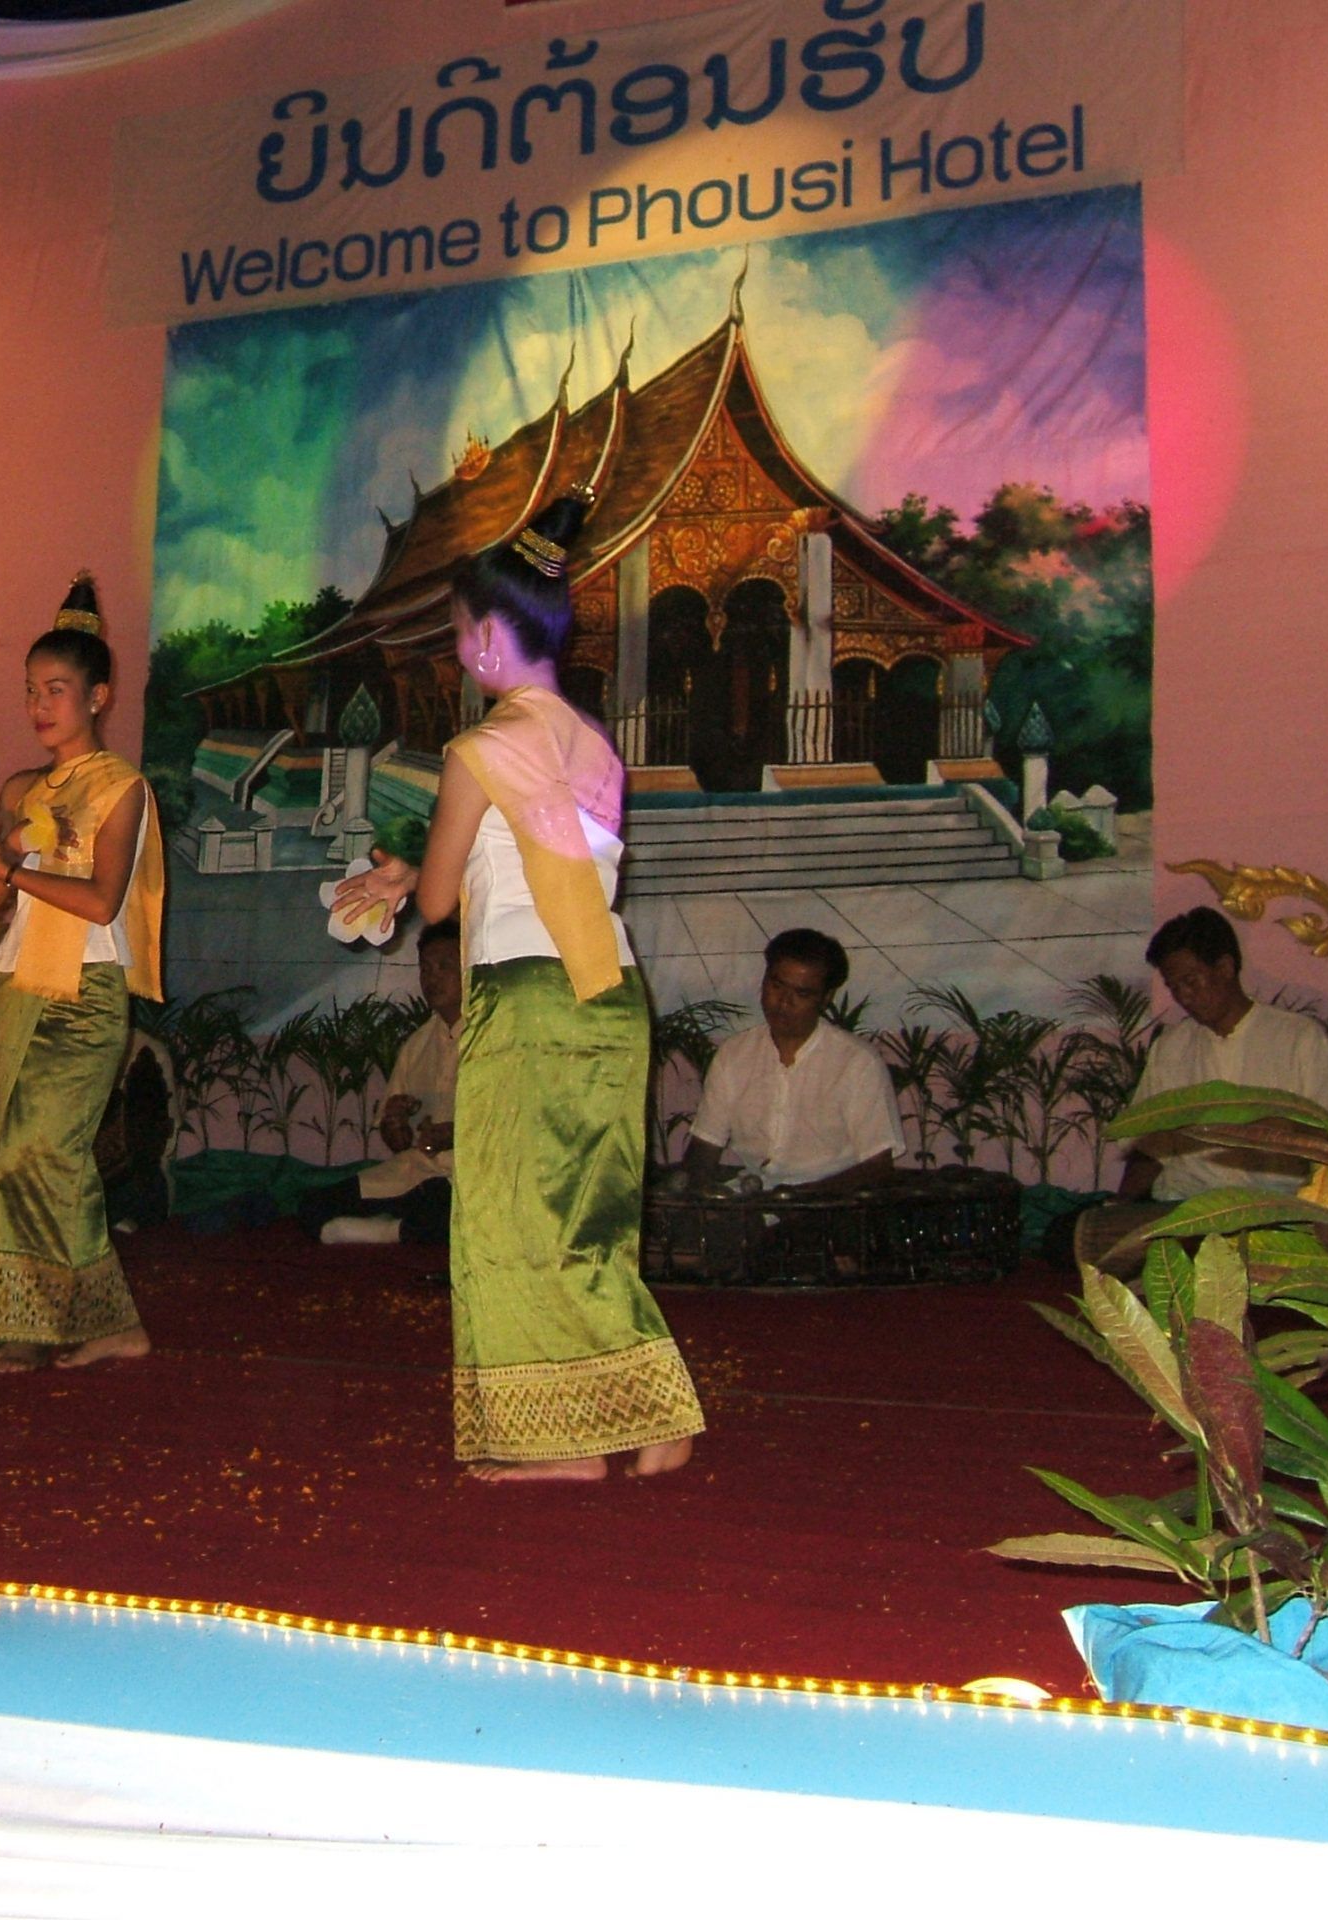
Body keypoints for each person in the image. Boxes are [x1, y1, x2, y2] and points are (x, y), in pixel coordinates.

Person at [336, 490, 704, 1483]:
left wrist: (410, 872)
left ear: (496, 634)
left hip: (527, 997)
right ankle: (652, 1417)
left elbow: (451, 898)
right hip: (609, 989)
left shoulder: (478, 748)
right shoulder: (592, 745)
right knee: (588, 1213)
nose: (459, 651)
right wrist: (413, 868)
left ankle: (565, 1442)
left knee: (503, 1214)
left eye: (462, 633)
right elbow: (547, 856)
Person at [0, 572, 165, 1374]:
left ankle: (106, 1319)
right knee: (12, 1159)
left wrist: (15, 872)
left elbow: (103, 899)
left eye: (56, 689)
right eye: (29, 692)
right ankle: (30, 1322)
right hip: (19, 987)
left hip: (85, 994)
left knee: (46, 1150)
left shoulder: (122, 789)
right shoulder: (19, 788)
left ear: (99, 696)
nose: (40, 706)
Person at [1075, 906, 1328, 1271]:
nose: (1183, 996)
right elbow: (1149, 1145)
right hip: (1185, 1210)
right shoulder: (1172, 1047)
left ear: (1226, 968)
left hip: (1273, 1213)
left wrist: (1281, 1133)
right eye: (1174, 987)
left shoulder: (1299, 1039)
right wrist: (1122, 1206)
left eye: (1191, 981)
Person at [682, 928, 903, 1194]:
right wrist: (694, 1194)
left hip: (831, 1206)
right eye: (776, 986)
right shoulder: (734, 1055)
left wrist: (803, 1199)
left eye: (802, 994)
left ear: (826, 998)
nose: (783, 1002)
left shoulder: (857, 1063)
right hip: (754, 1198)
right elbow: (705, 1144)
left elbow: (878, 1166)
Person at [302, 920, 463, 1247]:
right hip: (415, 1172)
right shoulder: (417, 1046)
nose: (431, 978)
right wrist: (395, 1124)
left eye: (445, 966)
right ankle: (401, 1227)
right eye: (425, 969)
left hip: (468, 1179)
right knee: (311, 1207)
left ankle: (388, 1230)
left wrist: (454, 1134)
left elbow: (512, 1126)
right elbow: (398, 1143)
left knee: (466, 1217)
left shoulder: (494, 1040)